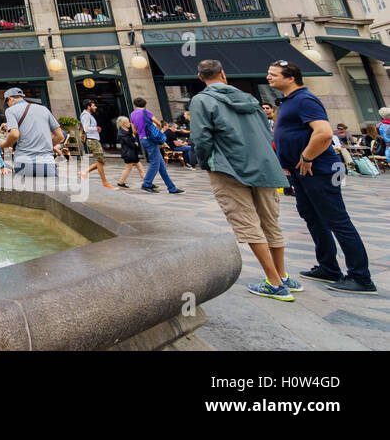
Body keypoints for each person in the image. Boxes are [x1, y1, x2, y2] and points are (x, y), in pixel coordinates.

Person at [190, 59, 296, 302]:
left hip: (230, 168)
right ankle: (282, 274)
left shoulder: (201, 101)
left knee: (247, 223)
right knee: (271, 221)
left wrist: (206, 162)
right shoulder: (249, 98)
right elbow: (265, 131)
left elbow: (201, 137)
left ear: (200, 77)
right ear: (223, 74)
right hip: (263, 165)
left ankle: (274, 282)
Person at [268, 60, 376, 294]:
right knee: (313, 218)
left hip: (319, 169)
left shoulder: (304, 100)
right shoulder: (290, 101)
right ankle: (328, 267)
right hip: (302, 172)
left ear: (290, 78)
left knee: (337, 220)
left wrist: (306, 157)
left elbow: (324, 133)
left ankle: (361, 277)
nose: (269, 77)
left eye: (273, 74)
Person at [1, 87, 62, 177]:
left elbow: (14, 134)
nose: (8, 105)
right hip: (47, 162)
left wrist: (3, 146)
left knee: (25, 190)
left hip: (23, 161)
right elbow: (60, 136)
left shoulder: (10, 110)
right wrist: (43, 146)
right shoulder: (44, 109)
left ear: (9, 98)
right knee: (52, 190)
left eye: (7, 103)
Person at [132, 97, 182, 194]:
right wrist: (155, 131)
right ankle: (146, 184)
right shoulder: (146, 112)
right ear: (145, 104)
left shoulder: (132, 114)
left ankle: (171, 188)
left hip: (143, 139)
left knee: (161, 166)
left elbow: (134, 131)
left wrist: (143, 131)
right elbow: (159, 123)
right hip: (151, 140)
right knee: (155, 164)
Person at [79, 100, 115, 188]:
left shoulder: (88, 115)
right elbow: (87, 129)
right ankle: (105, 182)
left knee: (101, 161)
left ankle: (84, 172)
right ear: (88, 107)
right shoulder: (86, 115)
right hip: (92, 140)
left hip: (94, 139)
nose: (96, 107)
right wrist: (96, 128)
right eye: (94, 106)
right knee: (100, 161)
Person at [114, 117, 144, 188]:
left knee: (138, 169)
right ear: (123, 124)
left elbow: (133, 138)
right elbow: (129, 143)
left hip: (131, 153)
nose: (129, 123)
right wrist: (135, 144)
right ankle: (147, 183)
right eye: (127, 122)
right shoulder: (122, 133)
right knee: (131, 169)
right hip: (129, 154)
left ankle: (121, 182)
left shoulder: (127, 131)